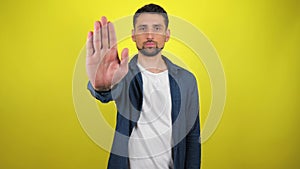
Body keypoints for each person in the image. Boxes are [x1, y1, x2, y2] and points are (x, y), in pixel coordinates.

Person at [86, 3, 201, 169]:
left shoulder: (187, 80)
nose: (149, 35)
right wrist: (102, 86)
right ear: (133, 35)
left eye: (156, 28)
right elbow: (106, 94)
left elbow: (192, 135)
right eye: (142, 28)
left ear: (167, 35)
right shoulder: (123, 74)